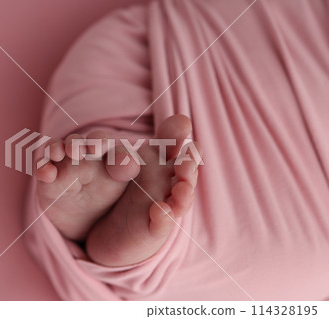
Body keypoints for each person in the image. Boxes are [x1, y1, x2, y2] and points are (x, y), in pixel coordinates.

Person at [25, 0, 329, 300]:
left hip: (170, 43)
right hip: (166, 43)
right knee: (289, 263)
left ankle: (126, 208)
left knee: (287, 262)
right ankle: (137, 229)